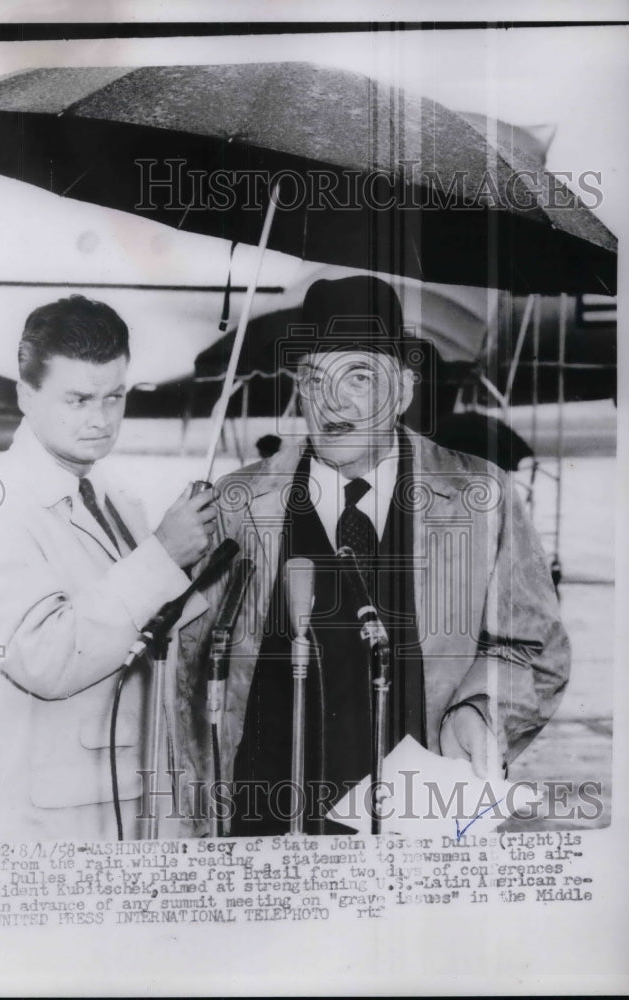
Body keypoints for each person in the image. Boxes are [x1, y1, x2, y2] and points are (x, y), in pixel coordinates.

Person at [177, 276, 570, 836]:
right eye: (314, 378)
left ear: (404, 392)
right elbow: (185, 671)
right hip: (262, 822)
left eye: (359, 377)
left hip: (414, 825)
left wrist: (480, 709)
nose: (332, 402)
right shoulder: (236, 504)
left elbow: (534, 650)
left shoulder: (483, 498)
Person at [0, 295, 216, 842]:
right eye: (78, 398)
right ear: (26, 395)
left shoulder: (116, 499)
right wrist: (162, 555)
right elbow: (44, 658)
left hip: (124, 801)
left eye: (115, 396)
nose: (100, 420)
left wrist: (194, 561)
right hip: (44, 826)